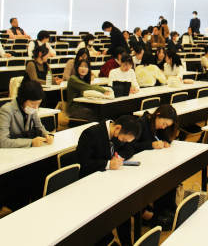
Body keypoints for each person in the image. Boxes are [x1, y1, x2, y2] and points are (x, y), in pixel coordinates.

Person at [77, 115, 140, 246]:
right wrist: (107, 164)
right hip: (89, 184)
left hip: (108, 180)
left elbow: (129, 149)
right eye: (123, 139)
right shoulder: (91, 134)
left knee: (125, 205)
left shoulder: (118, 133)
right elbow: (83, 163)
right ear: (117, 128)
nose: (123, 142)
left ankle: (127, 242)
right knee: (117, 208)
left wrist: (119, 157)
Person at [133, 105, 180, 229]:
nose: (164, 127)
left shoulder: (159, 126)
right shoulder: (141, 124)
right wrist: (151, 145)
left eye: (167, 126)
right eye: (164, 123)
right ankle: (152, 214)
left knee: (170, 175)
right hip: (139, 165)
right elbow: (132, 146)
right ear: (158, 115)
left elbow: (165, 138)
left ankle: (166, 210)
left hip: (153, 162)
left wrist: (166, 142)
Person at [0, 80, 53, 149]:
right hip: (4, 151)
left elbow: (39, 127)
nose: (36, 107)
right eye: (32, 104)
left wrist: (47, 135)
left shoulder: (31, 108)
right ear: (23, 99)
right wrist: (31, 142)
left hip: (22, 149)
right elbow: (2, 141)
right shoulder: (6, 110)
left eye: (38, 104)